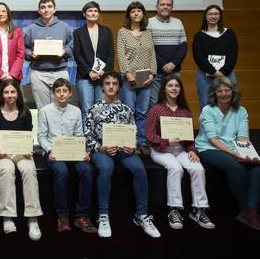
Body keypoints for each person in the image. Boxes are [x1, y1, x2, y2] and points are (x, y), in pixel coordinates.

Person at [85, 72, 161, 238]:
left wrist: (132, 147)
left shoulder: (126, 109)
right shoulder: (94, 109)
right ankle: (103, 215)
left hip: (123, 151)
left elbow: (133, 133)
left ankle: (142, 215)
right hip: (103, 151)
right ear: (102, 87)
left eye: (114, 83)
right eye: (107, 83)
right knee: (106, 168)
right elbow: (88, 136)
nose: (111, 86)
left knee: (139, 169)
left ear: (119, 86)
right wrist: (102, 148)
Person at [145, 74, 215, 230]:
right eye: (170, 85)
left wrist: (192, 150)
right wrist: (166, 140)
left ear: (180, 89)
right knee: (175, 168)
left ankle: (199, 209)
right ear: (164, 89)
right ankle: (174, 209)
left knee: (198, 168)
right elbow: (150, 136)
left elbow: (189, 139)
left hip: (181, 150)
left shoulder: (185, 112)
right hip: (160, 150)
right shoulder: (156, 110)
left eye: (176, 86)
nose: (174, 88)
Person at [195, 76, 260, 230]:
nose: (224, 94)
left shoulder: (241, 110)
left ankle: (250, 209)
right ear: (214, 94)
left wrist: (248, 154)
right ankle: (246, 210)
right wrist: (235, 155)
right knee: (236, 167)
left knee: (257, 167)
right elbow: (213, 140)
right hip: (208, 148)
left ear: (233, 91)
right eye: (220, 91)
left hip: (234, 148)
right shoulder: (208, 110)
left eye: (227, 90)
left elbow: (243, 137)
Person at [38, 78, 97, 234]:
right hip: (53, 153)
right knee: (62, 171)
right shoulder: (44, 111)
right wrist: (50, 150)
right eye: (58, 91)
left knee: (87, 170)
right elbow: (41, 136)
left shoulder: (76, 111)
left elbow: (78, 135)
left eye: (64, 91)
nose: (61, 94)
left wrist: (84, 151)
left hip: (73, 151)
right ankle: (62, 216)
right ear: (53, 93)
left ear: (70, 93)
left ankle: (82, 216)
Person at [0, 79, 42, 239]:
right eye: (6, 92)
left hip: (21, 152)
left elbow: (28, 136)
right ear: (2, 95)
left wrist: (27, 149)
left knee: (29, 169)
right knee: (7, 169)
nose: (10, 95)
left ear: (17, 93)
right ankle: (7, 217)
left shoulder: (25, 113)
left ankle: (33, 218)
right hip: (0, 152)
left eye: (13, 92)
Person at [117, 1, 156, 147]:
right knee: (129, 111)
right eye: (133, 11)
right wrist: (127, 73)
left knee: (142, 112)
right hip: (129, 78)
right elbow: (121, 55)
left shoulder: (148, 33)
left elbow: (152, 54)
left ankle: (141, 142)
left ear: (143, 14)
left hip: (146, 78)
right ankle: (128, 142)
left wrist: (152, 74)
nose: (136, 13)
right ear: (129, 15)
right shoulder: (123, 32)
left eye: (139, 11)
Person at [24, 0, 74, 109]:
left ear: (55, 9)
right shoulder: (31, 28)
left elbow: (71, 46)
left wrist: (64, 51)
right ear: (39, 10)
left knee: (61, 108)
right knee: (43, 109)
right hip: (38, 74)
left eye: (49, 7)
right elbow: (24, 49)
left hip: (60, 71)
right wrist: (30, 54)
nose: (46, 10)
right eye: (43, 7)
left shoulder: (64, 26)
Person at [72, 1, 114, 126]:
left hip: (103, 76)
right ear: (84, 14)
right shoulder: (78, 32)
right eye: (90, 11)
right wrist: (89, 71)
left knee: (101, 110)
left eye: (95, 11)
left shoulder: (106, 31)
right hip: (85, 77)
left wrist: (104, 71)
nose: (93, 13)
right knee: (86, 110)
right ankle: (88, 142)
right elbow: (77, 55)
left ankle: (100, 140)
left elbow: (110, 54)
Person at [192, 4, 239, 109]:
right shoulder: (199, 35)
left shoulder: (229, 33)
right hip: (205, 75)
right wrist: (213, 71)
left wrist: (222, 72)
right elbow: (198, 56)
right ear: (206, 16)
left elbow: (233, 54)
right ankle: (207, 126)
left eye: (216, 14)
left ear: (220, 16)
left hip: (227, 74)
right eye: (210, 14)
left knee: (231, 103)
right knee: (205, 104)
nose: (213, 16)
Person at [148, 0, 187, 105]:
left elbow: (183, 46)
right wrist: (163, 64)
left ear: (172, 7)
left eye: (168, 5)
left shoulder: (178, 22)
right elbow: (148, 47)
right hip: (155, 72)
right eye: (162, 4)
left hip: (174, 70)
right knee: (154, 102)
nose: (165, 7)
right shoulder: (148, 23)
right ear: (156, 7)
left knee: (173, 102)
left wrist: (173, 63)